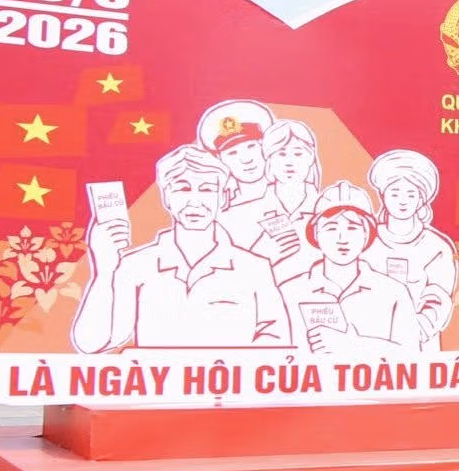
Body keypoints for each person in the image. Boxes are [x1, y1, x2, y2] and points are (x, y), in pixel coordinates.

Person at [72, 145, 289, 352]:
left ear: (222, 197)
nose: (194, 202)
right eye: (183, 189)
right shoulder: (135, 265)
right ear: (166, 196)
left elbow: (277, 338)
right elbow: (91, 344)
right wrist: (104, 269)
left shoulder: (254, 267)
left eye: (207, 190)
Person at [280, 181, 417, 354]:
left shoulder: (394, 292)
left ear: (367, 234)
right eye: (331, 228)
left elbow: (414, 355)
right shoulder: (288, 292)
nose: (342, 238)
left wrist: (353, 345)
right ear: (316, 234)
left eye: (352, 228)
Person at [361, 150, 458, 350]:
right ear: (383, 196)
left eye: (411, 194)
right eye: (395, 193)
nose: (402, 201)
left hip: (419, 345)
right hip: (368, 340)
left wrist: (412, 331)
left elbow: (438, 297)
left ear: (421, 199)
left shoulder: (436, 246)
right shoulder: (366, 241)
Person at [219, 118, 320, 281]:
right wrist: (260, 255)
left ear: (311, 157)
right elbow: (224, 280)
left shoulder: (327, 209)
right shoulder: (233, 216)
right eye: (281, 154)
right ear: (268, 159)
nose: (289, 162)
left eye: (298, 153)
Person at [195, 100, 275, 209]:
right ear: (220, 160)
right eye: (232, 153)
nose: (246, 160)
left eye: (251, 146)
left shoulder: (292, 193)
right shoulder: (219, 210)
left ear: (264, 145)